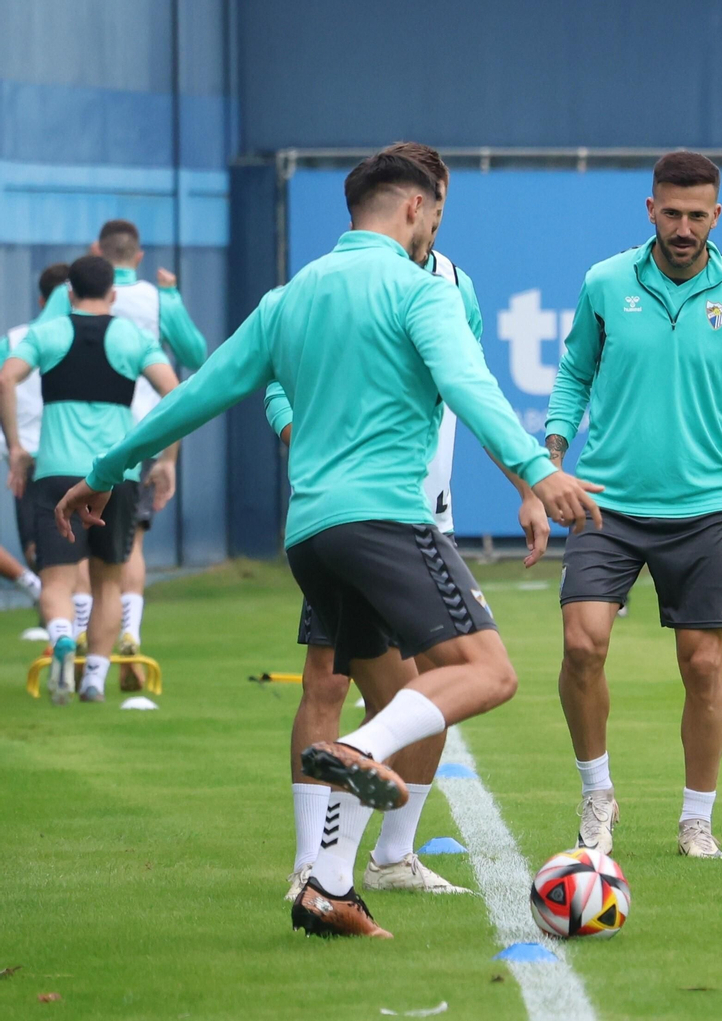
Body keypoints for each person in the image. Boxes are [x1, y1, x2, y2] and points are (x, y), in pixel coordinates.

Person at [54, 148, 602, 937]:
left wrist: (109, 467)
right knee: (487, 672)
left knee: (392, 691)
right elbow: (468, 384)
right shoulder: (420, 290)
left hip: (311, 536)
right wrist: (531, 469)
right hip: (386, 521)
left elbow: (203, 390)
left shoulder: (290, 296)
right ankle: (356, 749)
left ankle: (328, 885)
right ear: (415, 209)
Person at [268, 143, 533, 901]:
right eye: (431, 201)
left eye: (445, 201)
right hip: (358, 511)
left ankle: (389, 855)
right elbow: (279, 384)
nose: (435, 215)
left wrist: (521, 484)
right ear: (410, 202)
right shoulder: (331, 282)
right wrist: (299, 428)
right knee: (327, 680)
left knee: (430, 686)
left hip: (422, 515)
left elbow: (468, 386)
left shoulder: (454, 287)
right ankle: (309, 862)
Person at [546, 151, 722, 860]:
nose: (683, 226)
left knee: (704, 667)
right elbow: (574, 372)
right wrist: (552, 463)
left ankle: (697, 819)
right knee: (580, 643)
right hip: (606, 501)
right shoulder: (604, 282)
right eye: (672, 211)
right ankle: (598, 792)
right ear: (649, 208)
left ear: (716, 216)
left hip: (700, 507)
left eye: (698, 214)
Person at [0, 256, 179, 703]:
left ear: (68, 293)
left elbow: (6, 379)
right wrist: (167, 459)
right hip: (115, 474)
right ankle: (95, 679)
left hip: (56, 470)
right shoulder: (132, 337)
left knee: (57, 580)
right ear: (112, 294)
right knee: (108, 582)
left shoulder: (48, 333)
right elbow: (176, 392)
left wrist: (17, 449)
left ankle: (62, 634)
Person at [93, 220, 210, 692]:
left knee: (85, 551)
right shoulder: (157, 300)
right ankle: (130, 633)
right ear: (139, 256)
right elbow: (196, 354)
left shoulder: (75, 296)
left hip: (83, 436)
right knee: (132, 544)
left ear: (98, 254)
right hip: (143, 433)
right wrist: (174, 297)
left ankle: (82, 642)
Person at [1, 264, 68, 605]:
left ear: (42, 299)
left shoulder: (14, 340)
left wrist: (13, 446)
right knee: (55, 545)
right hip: (71, 454)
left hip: (30, 455)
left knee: (39, 545)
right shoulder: (95, 335)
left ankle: (62, 620)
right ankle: (60, 619)